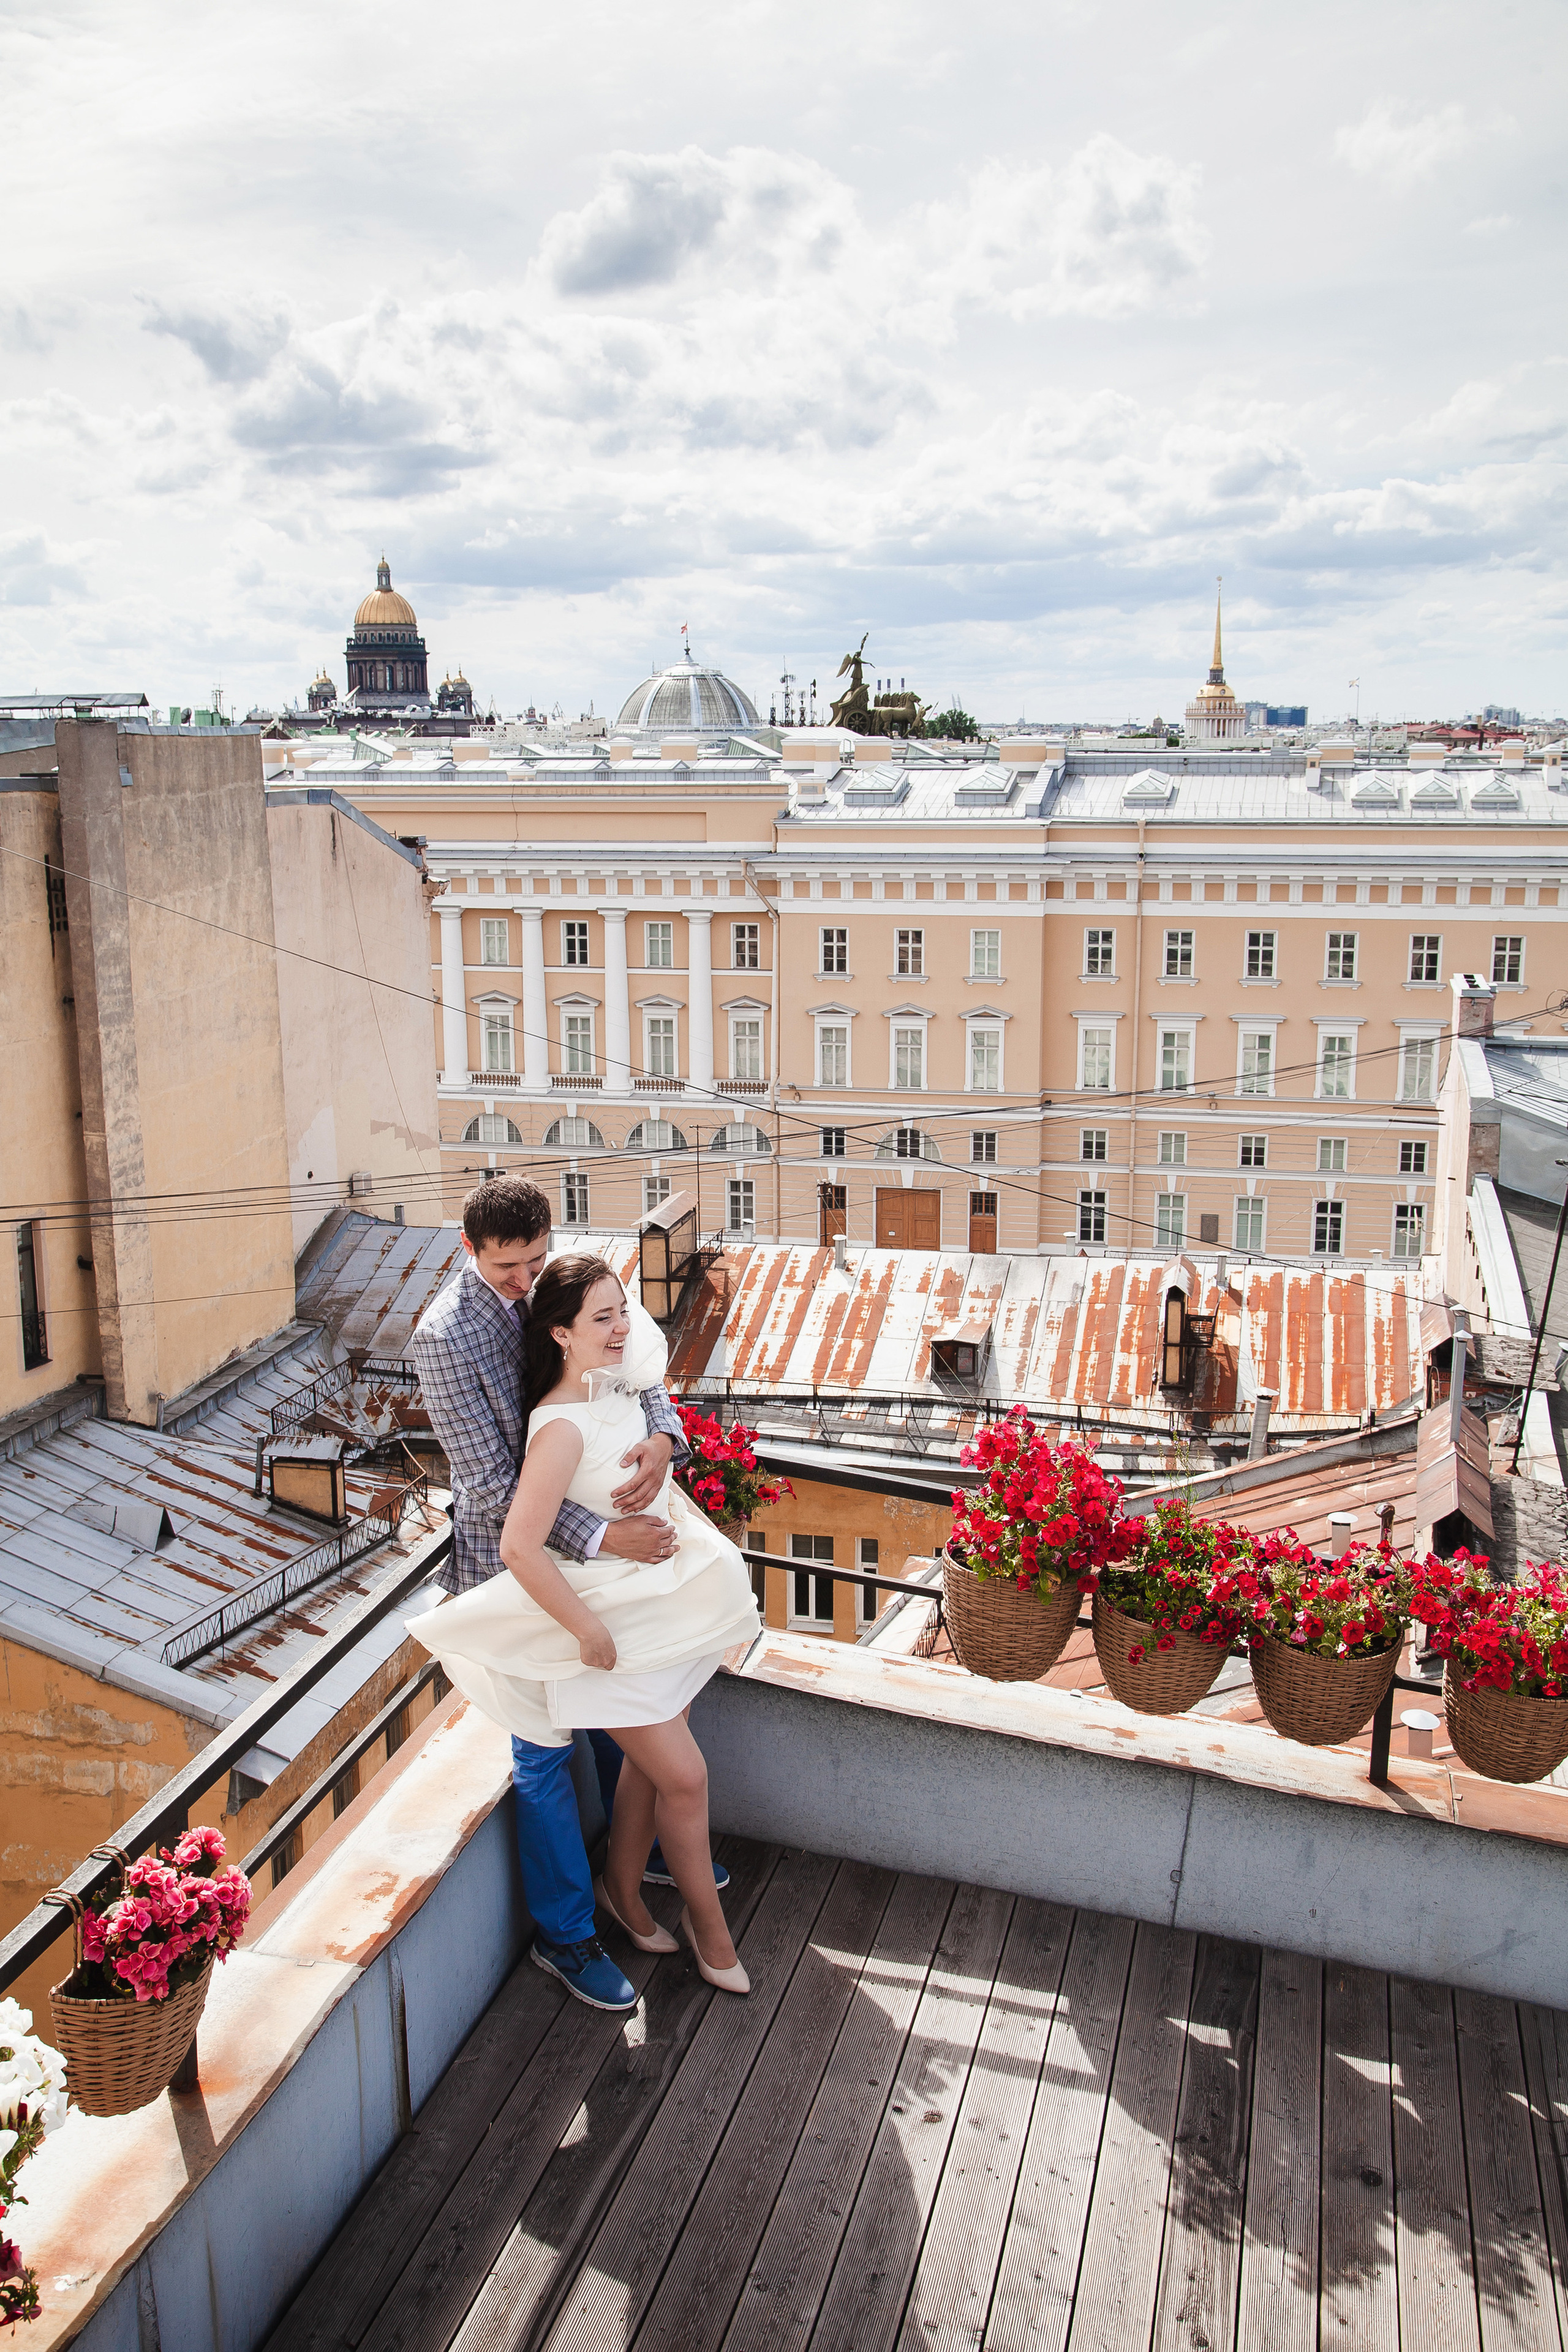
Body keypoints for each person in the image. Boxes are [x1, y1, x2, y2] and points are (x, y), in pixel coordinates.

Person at [410, 1253, 760, 1994]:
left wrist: (661, 1441)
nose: (622, 1326)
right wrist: (588, 1630)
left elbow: (652, 1384)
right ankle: (711, 1936)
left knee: (648, 1769)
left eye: (622, 1311)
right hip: (609, 1630)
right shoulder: (558, 1426)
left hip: (655, 1608)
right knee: (685, 1776)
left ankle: (624, 1895)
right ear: (561, 1334)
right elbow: (517, 1541)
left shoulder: (616, 1375)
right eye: (603, 1318)